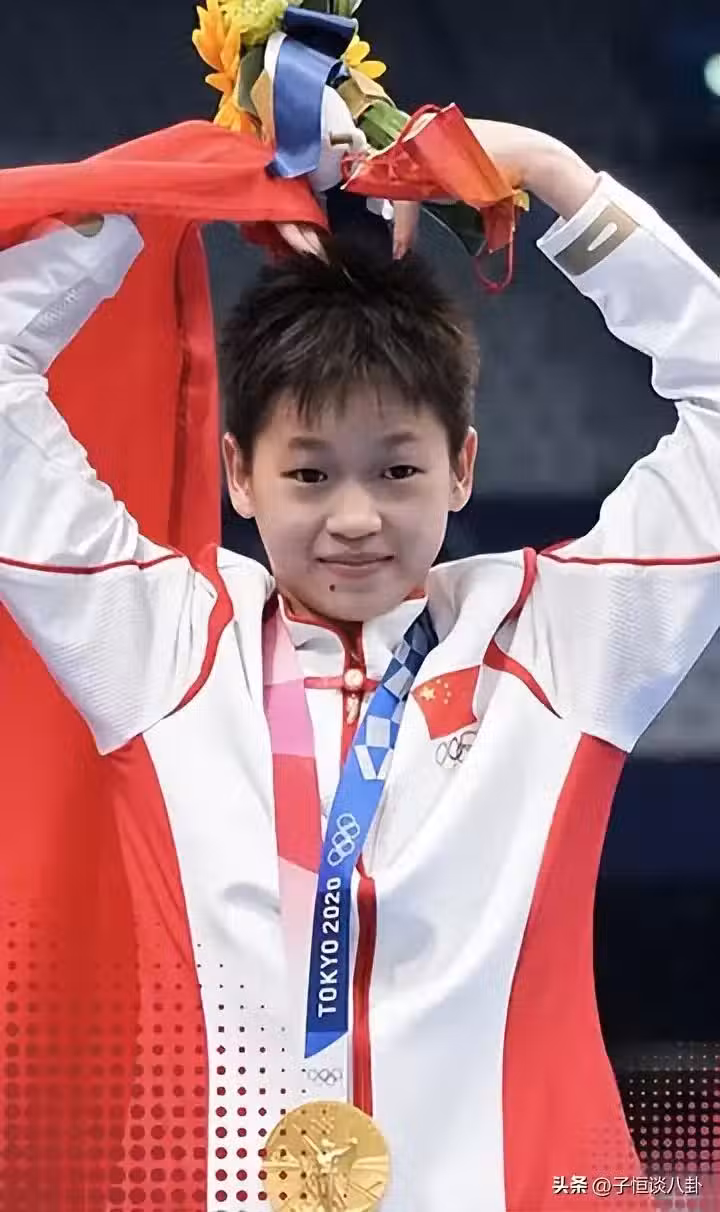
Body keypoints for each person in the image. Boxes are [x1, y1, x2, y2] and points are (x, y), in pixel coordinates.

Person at [0, 117, 718, 1212]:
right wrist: (165, 191)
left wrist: (552, 178)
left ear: (462, 467)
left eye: (395, 471)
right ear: (239, 475)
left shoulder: (557, 642)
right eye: (308, 474)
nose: (354, 519)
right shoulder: (161, 644)